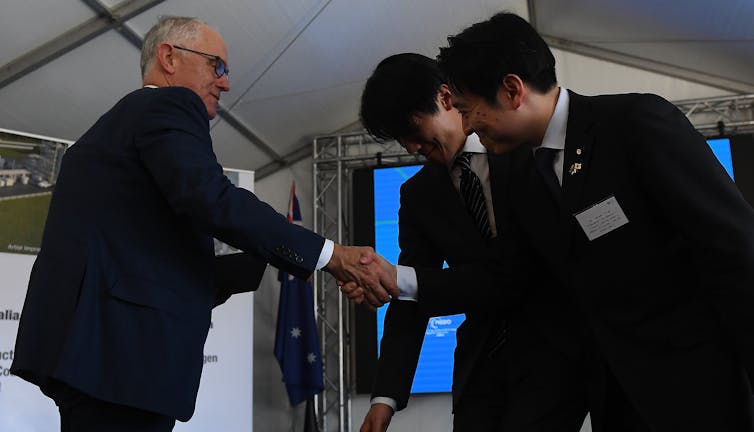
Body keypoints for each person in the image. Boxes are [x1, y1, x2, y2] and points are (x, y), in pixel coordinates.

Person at [10, 16, 394, 432]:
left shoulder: (124, 124)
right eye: (218, 66)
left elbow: (135, 251)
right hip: (119, 358)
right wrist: (330, 255)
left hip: (99, 358)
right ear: (169, 57)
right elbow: (210, 197)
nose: (225, 83)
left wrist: (248, 266)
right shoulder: (166, 105)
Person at [431, 11, 754, 432]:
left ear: (512, 90)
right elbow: (509, 275)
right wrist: (401, 281)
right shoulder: (524, 177)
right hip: (616, 400)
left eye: (469, 110)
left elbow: (735, 250)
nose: (467, 126)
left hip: (696, 389)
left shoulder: (634, 124)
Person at [356, 53, 587, 432]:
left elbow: (516, 273)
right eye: (400, 139)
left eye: (412, 129)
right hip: (481, 374)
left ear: (446, 98)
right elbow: (411, 297)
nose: (411, 146)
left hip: (559, 359)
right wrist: (385, 399)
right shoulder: (417, 195)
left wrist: (402, 279)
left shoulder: (526, 150)